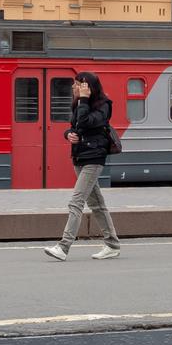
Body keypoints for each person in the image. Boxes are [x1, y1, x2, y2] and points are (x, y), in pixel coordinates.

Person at [44, 71, 122, 261]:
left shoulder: (103, 105)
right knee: (97, 204)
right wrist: (68, 134)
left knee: (76, 201)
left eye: (77, 84)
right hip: (80, 157)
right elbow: (77, 125)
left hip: (94, 159)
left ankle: (63, 247)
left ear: (88, 87)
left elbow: (87, 121)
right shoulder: (79, 104)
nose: (73, 87)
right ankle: (112, 244)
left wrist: (84, 100)